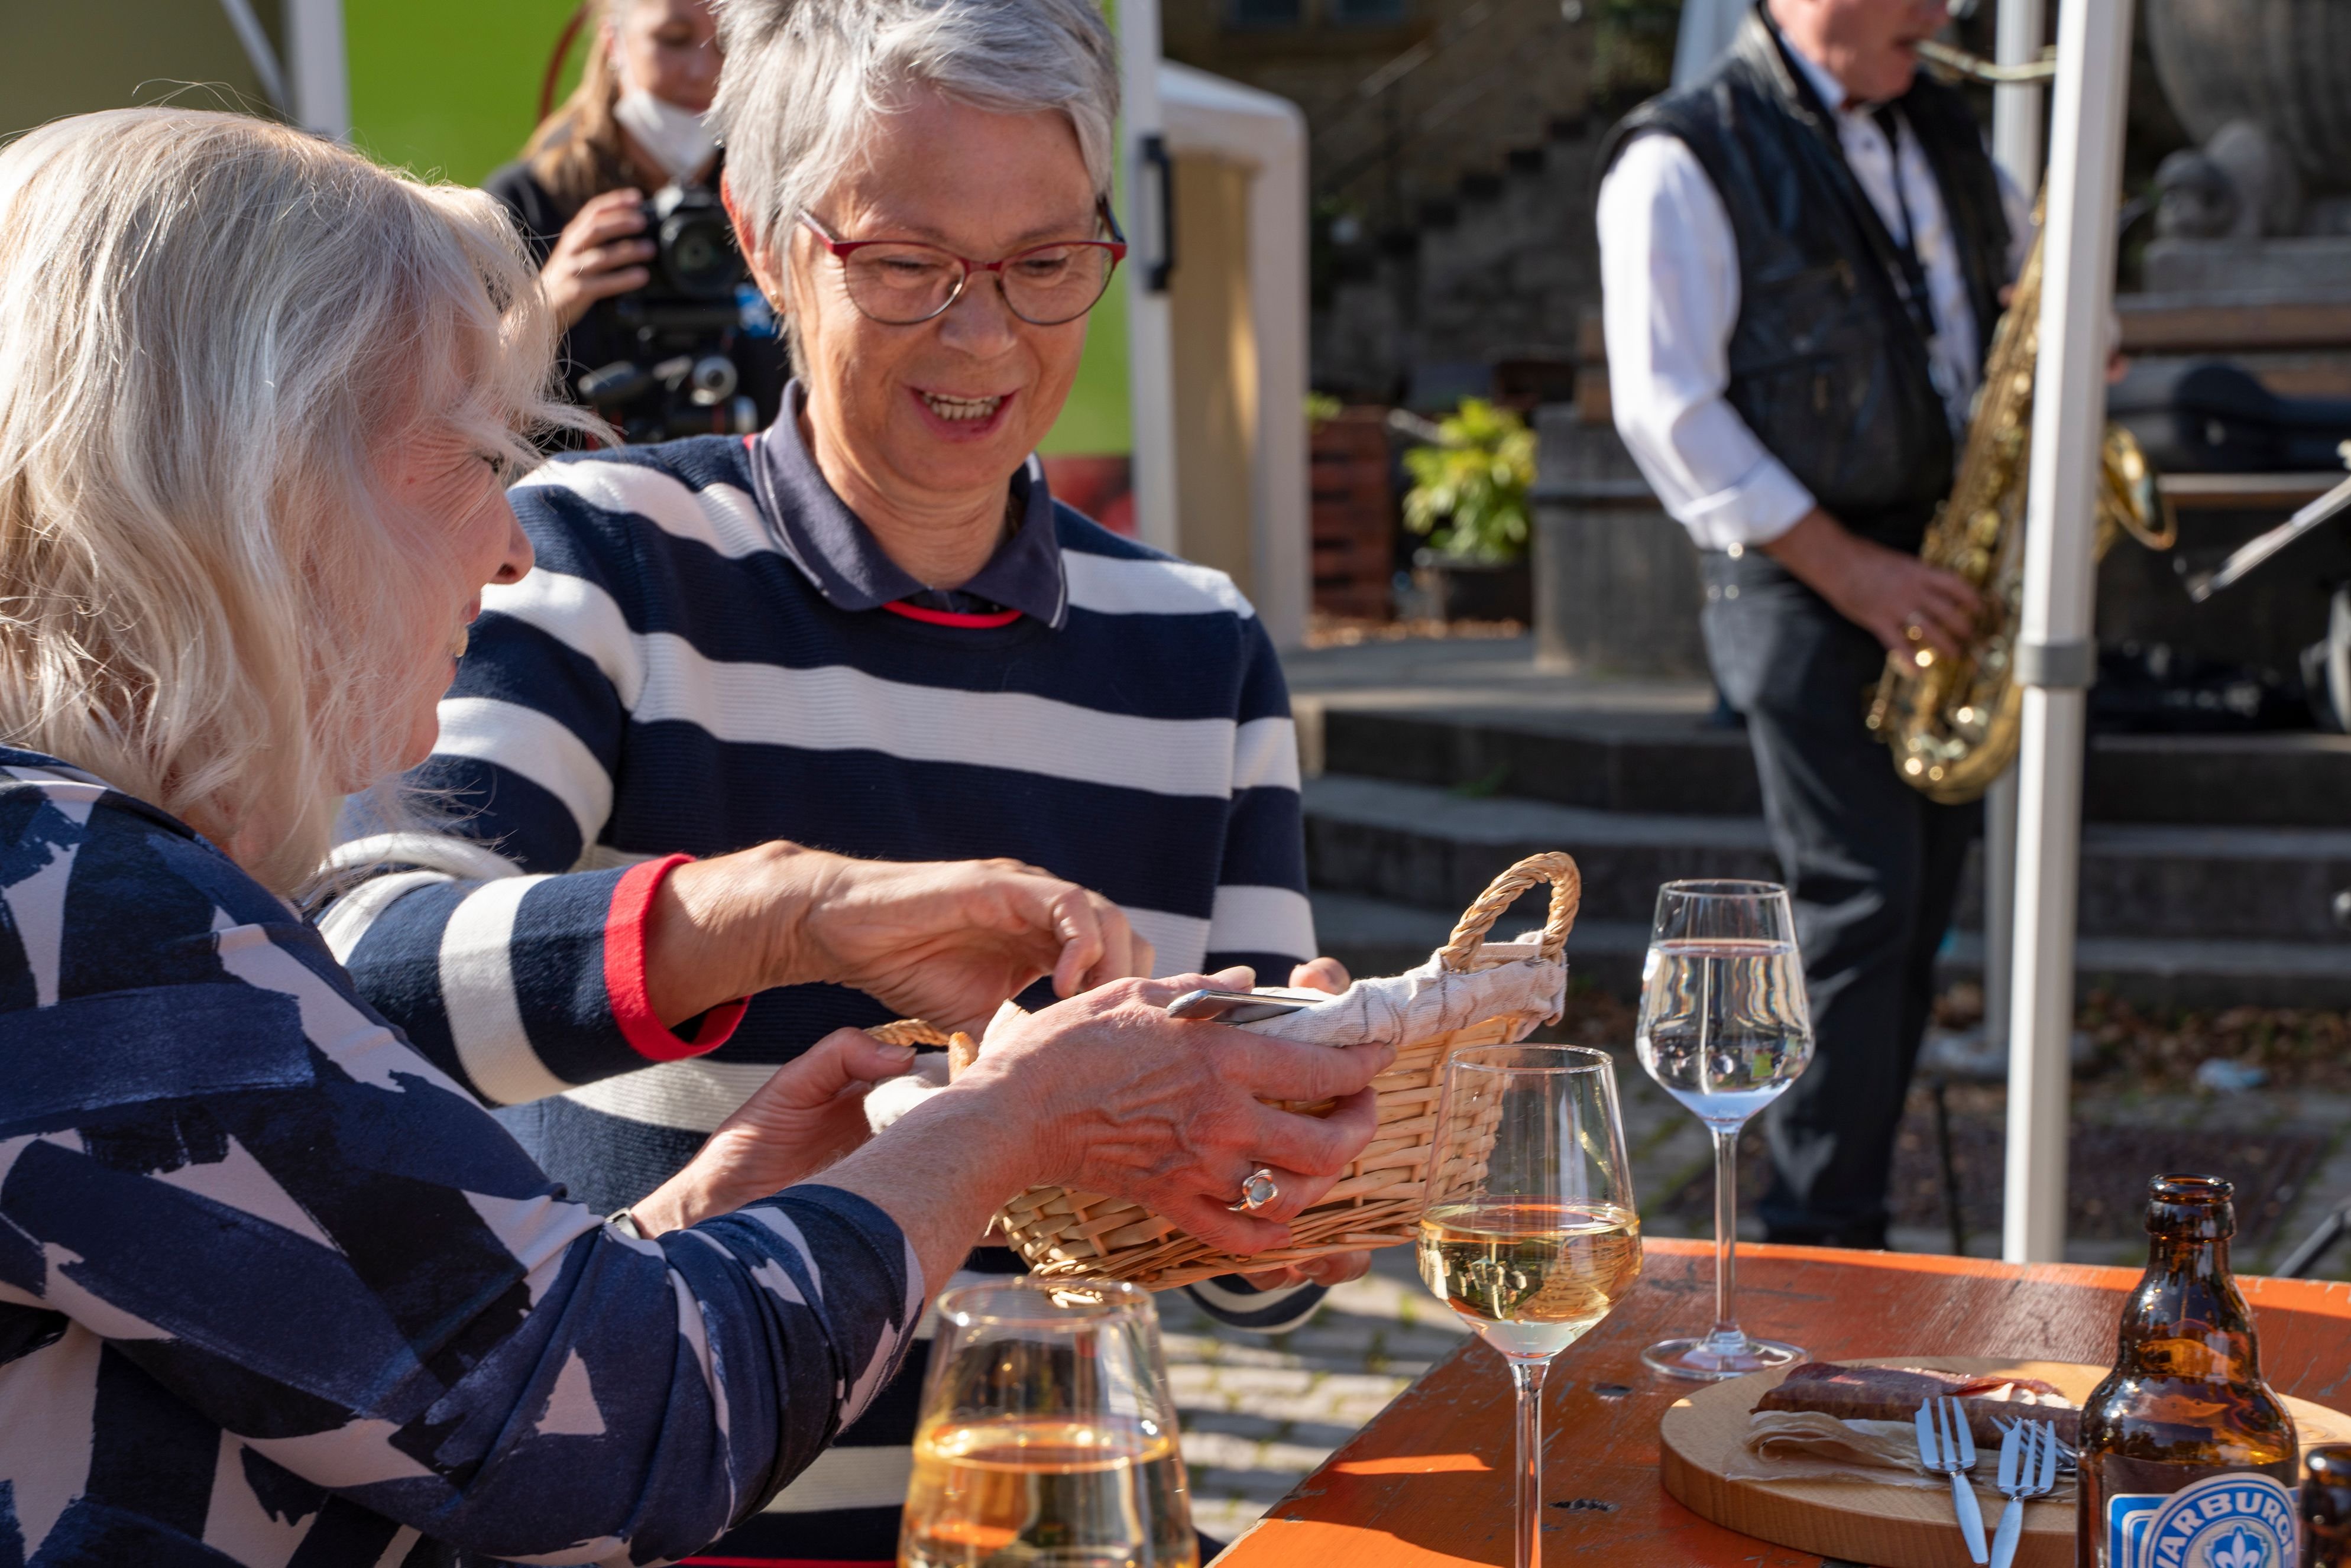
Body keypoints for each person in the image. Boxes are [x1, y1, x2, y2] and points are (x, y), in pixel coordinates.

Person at [0, 106, 1392, 1566]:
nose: (512, 537)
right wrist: (998, 1117)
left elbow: (412, 1361)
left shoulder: (76, 873)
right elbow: (600, 1427)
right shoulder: (71, 902)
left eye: (1044, 259)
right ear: (256, 480)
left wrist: (703, 1216)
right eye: (475, 455)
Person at [327, 0, 1348, 1556]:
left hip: (1046, 1515)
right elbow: (355, 975)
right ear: (760, 232)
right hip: (648, 1514)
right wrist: (786, 915)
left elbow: (1236, 1273)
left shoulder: (1200, 643)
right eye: (906, 264)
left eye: (1047, 263)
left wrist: (1309, 1177)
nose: (984, 333)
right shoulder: (599, 552)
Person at [1598, 0, 2030, 1248]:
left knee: (1914, 910)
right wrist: (1853, 575)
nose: (1937, 11)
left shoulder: (1940, 132)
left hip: (1936, 560)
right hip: (1799, 572)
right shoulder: (1678, 154)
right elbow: (1668, 410)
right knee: (1857, 904)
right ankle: (1810, 1232)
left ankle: (1846, 1210)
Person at [486, 0, 789, 435]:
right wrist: (547, 307)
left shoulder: (775, 200)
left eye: (727, 44)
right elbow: (458, 425)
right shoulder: (527, 204)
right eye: (674, 40)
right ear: (615, 41)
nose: (702, 71)